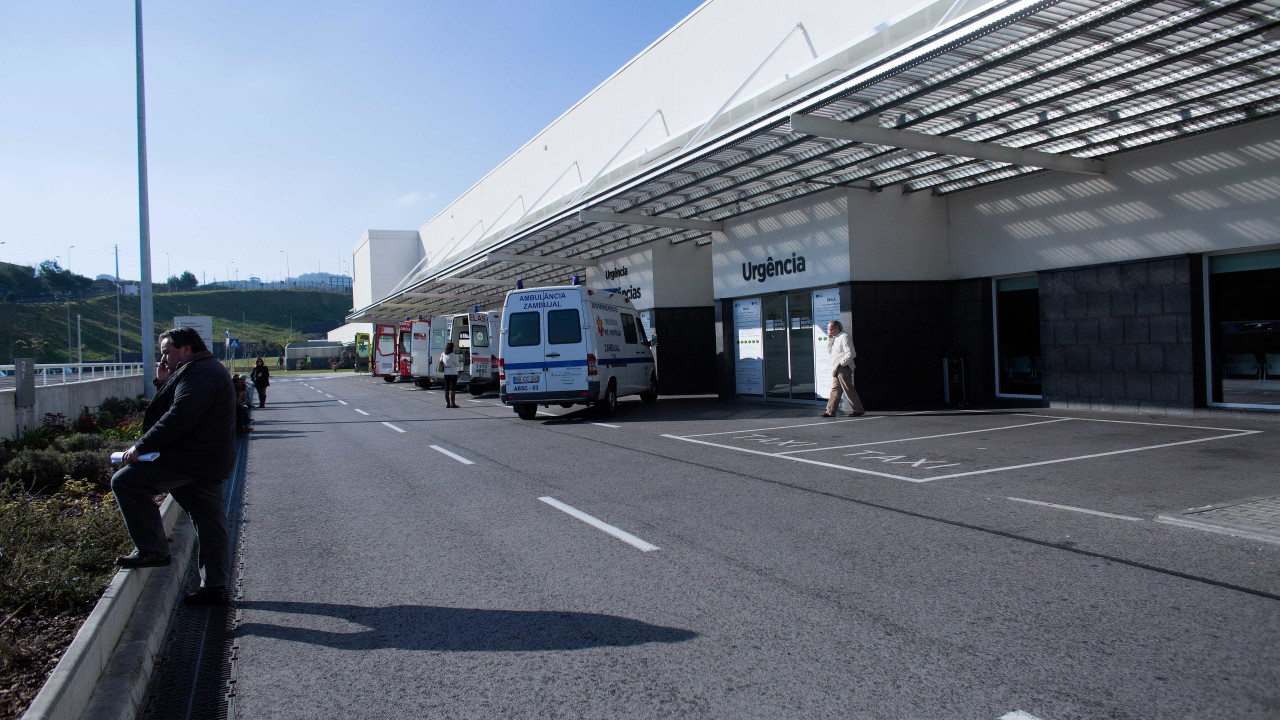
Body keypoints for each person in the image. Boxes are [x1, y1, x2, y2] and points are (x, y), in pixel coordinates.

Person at [110, 327, 236, 605]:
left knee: (125, 482)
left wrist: (140, 448)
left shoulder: (200, 373)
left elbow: (179, 416)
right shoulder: (201, 369)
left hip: (190, 459)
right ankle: (214, 587)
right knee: (209, 523)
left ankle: (153, 550)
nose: (163, 358)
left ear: (186, 349)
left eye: (167, 351)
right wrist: (164, 383)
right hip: (207, 459)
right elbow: (179, 406)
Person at [820, 319, 865, 418]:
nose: (830, 331)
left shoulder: (844, 337)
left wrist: (841, 363)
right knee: (835, 389)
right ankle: (830, 411)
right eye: (828, 329)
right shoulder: (836, 338)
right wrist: (830, 339)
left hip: (843, 367)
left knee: (847, 388)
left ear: (837, 327)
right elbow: (830, 352)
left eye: (831, 329)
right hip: (837, 367)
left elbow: (851, 353)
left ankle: (858, 409)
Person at [440, 342, 460, 408]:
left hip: (446, 372)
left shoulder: (443, 354)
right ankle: (453, 403)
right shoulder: (453, 355)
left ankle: (447, 403)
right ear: (452, 348)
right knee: (453, 388)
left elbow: (441, 361)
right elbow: (457, 364)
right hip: (453, 372)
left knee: (447, 388)